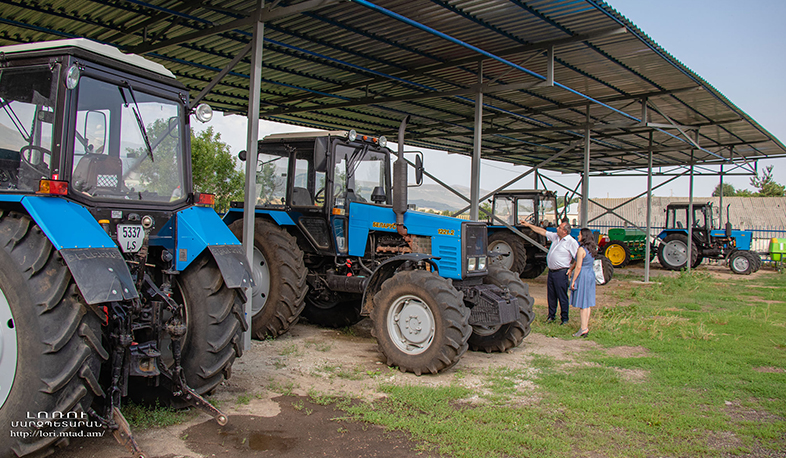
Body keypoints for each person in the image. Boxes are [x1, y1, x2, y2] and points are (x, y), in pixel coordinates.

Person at [520, 220, 578, 325]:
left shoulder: (571, 242)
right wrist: (528, 225)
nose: (557, 229)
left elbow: (578, 258)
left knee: (562, 295)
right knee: (551, 295)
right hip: (552, 271)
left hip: (561, 272)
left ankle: (564, 318)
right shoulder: (555, 237)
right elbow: (542, 232)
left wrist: (571, 269)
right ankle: (551, 316)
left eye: (559, 228)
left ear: (564, 231)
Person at [567, 228, 598, 337]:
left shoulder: (581, 249)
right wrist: (571, 268)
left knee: (583, 304)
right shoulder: (592, 249)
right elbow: (578, 262)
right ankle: (585, 326)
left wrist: (573, 280)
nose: (578, 236)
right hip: (590, 274)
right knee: (587, 303)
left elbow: (579, 265)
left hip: (583, 275)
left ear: (583, 236)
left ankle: (583, 328)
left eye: (579, 235)